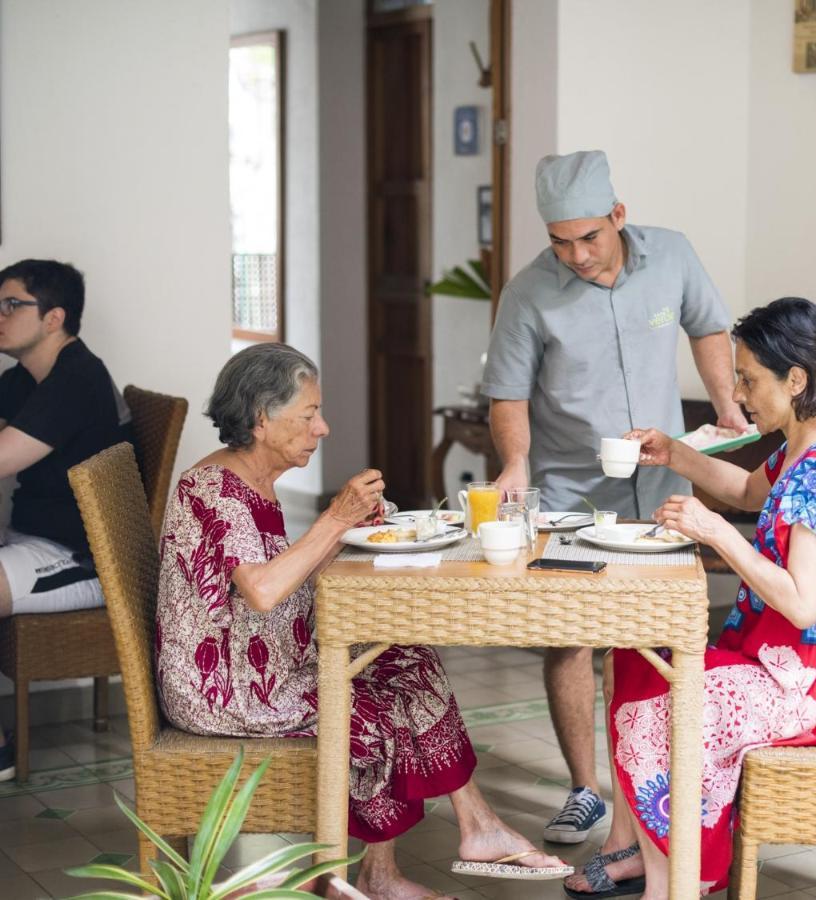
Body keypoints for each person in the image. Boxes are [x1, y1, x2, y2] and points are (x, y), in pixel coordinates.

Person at [155, 344, 568, 900]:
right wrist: (334, 520)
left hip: (260, 660)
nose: (322, 427)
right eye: (308, 415)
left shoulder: (250, 478)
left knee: (405, 653)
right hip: (226, 689)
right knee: (376, 707)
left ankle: (469, 830)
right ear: (260, 417)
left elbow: (283, 578)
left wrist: (344, 530)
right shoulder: (214, 489)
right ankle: (385, 875)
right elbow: (264, 590)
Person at [563, 298, 816, 898]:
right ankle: (649, 851)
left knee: (665, 705)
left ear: (796, 379)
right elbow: (744, 489)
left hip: (813, 689)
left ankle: (675, 882)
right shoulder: (805, 440)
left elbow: (802, 604)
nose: (738, 394)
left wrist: (713, 533)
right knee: (633, 657)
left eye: (749, 379)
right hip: (786, 666)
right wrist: (675, 452)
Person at [481, 150, 748, 845]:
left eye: (589, 237)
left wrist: (725, 403)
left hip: (660, 480)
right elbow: (507, 394)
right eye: (560, 242)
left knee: (661, 635)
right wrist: (515, 462)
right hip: (570, 487)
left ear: (618, 217)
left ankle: (656, 787)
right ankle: (585, 791)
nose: (576, 254)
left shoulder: (672, 257)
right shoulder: (527, 293)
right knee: (570, 635)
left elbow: (709, 326)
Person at [0, 259, 132, 782]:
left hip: (85, 557)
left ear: (53, 318)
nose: (0, 316)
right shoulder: (23, 379)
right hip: (35, 542)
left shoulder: (75, 378)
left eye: (12, 305)